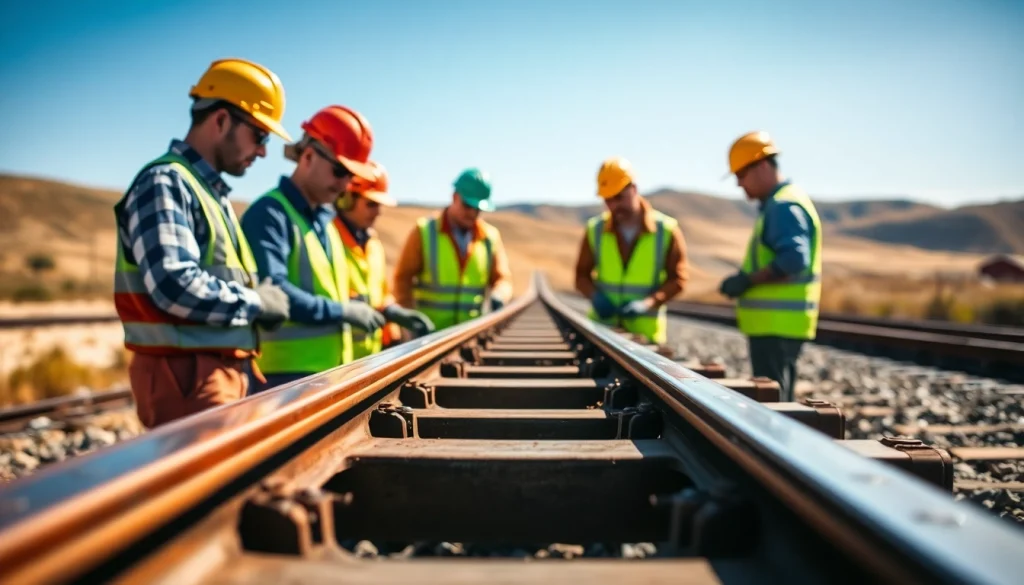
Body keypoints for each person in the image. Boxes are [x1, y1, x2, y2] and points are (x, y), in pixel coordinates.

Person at [113, 57, 291, 428]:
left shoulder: (209, 192)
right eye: (259, 135)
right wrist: (256, 304)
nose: (262, 151)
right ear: (221, 120)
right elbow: (173, 285)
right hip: (187, 374)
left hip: (212, 371)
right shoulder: (166, 182)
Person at [240, 105, 385, 392]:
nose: (344, 184)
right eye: (339, 171)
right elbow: (274, 292)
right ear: (308, 156)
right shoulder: (270, 214)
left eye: (350, 176)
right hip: (281, 380)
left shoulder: (326, 222)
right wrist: (341, 311)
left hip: (327, 374)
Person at [718, 131, 822, 402]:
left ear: (762, 165)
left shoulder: (783, 206)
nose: (739, 184)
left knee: (774, 405)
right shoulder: (781, 202)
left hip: (777, 325)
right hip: (778, 325)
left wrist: (747, 281)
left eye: (741, 174)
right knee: (777, 399)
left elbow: (793, 260)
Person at [574, 156, 688, 345]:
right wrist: (595, 297)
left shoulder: (666, 230)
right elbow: (581, 275)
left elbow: (678, 279)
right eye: (608, 200)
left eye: (619, 197)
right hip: (603, 330)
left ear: (633, 189)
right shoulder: (595, 230)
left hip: (645, 336)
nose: (614, 206)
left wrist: (648, 303)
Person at [333, 161, 435, 359]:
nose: (377, 212)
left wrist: (394, 314)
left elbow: (380, 294)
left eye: (378, 205)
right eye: (371, 204)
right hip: (336, 361)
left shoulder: (373, 244)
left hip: (368, 359)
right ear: (346, 199)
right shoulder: (329, 239)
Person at [392, 168, 513, 331]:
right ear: (454, 197)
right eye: (467, 205)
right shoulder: (424, 232)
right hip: (429, 337)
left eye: (477, 209)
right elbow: (402, 279)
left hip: (469, 336)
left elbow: (503, 279)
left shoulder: (490, 237)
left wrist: (500, 294)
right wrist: (409, 321)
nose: (472, 213)